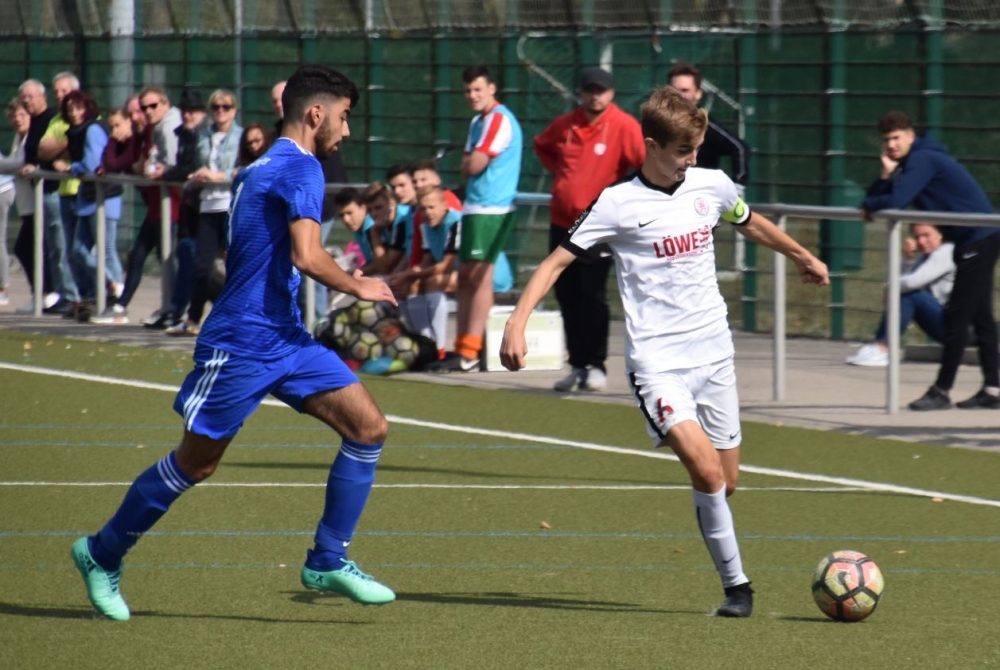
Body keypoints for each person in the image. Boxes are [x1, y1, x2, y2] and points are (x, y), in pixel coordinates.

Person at [70, 64, 398, 621]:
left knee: (369, 428)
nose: (346, 130)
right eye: (344, 117)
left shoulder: (257, 166)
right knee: (195, 464)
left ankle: (327, 559)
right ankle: (101, 554)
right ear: (316, 113)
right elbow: (307, 255)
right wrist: (358, 283)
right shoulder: (303, 167)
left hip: (286, 338)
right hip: (242, 343)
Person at [499, 86, 829, 617]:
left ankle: (726, 556)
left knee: (726, 481)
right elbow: (556, 262)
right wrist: (517, 322)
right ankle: (738, 589)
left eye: (695, 149)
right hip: (658, 364)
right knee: (708, 474)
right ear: (651, 146)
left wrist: (802, 256)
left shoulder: (711, 185)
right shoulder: (617, 203)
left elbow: (749, 220)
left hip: (715, 355)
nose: (691, 159)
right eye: (682, 151)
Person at [861, 111, 1000, 411]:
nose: (891, 145)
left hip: (979, 238)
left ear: (910, 136)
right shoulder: (911, 162)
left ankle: (941, 390)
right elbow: (887, 197)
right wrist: (884, 176)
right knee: (981, 318)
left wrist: (869, 204)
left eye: (896, 138)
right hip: (976, 239)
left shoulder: (922, 160)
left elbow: (895, 202)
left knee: (958, 319)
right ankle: (993, 388)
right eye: (887, 140)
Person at [534, 66, 645, 392]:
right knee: (566, 294)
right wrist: (560, 174)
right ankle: (578, 365)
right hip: (561, 222)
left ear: (611, 93)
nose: (595, 96)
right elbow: (542, 145)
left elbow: (644, 163)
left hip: (598, 226)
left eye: (601, 90)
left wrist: (624, 198)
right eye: (590, 90)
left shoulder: (624, 125)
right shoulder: (566, 124)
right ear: (581, 93)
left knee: (592, 295)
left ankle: (596, 364)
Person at [431, 65, 523, 372]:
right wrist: (469, 164)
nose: (472, 95)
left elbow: (474, 165)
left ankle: (471, 351)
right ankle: (463, 347)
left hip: (491, 209)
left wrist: (470, 164)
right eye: (468, 90)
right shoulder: (478, 121)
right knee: (467, 277)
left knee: (480, 277)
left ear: (491, 89)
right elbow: (467, 163)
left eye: (478, 89)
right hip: (474, 207)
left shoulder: (499, 119)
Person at [166, 89, 243, 336]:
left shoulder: (240, 136)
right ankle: (193, 318)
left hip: (230, 206)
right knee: (201, 268)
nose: (221, 111)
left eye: (226, 106)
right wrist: (199, 175)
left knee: (235, 267)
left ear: (234, 110)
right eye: (216, 107)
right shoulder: (204, 136)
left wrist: (216, 175)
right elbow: (200, 166)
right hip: (208, 205)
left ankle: (238, 321)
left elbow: (239, 170)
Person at [846, 223, 954, 367]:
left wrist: (889, 287)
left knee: (911, 296)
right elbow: (904, 280)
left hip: (962, 329)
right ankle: (879, 347)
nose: (921, 241)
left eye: (926, 235)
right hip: (947, 325)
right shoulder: (926, 257)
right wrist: (907, 259)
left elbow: (911, 282)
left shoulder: (946, 251)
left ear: (940, 234)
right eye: (917, 237)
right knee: (906, 294)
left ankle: (882, 348)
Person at [54, 90, 120, 318]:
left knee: (107, 250)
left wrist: (70, 167)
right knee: (78, 250)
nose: (74, 113)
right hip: (89, 198)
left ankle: (116, 297)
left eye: (79, 108)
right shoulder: (76, 132)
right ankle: (107, 287)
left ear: (88, 109)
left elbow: (92, 165)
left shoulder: (92, 129)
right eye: (70, 109)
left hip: (104, 197)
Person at [90, 101, 152, 324]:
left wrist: (115, 148)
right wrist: (114, 143)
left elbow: (119, 163)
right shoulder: (126, 141)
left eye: (117, 125)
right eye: (111, 127)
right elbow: (111, 163)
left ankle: (174, 310)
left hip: (168, 207)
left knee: (179, 260)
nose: (114, 131)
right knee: (137, 256)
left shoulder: (138, 139)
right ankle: (120, 307)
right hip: (155, 209)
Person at [391, 185, 461, 353]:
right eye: (423, 208)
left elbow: (445, 266)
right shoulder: (425, 226)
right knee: (410, 285)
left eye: (431, 207)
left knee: (432, 282)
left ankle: (439, 349)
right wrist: (404, 276)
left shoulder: (456, 222)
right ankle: (423, 343)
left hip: (474, 274)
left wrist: (407, 274)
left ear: (444, 206)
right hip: (451, 273)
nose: (428, 212)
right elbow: (426, 261)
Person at [667, 63, 749, 192]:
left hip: (699, 195)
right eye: (674, 90)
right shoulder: (657, 123)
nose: (679, 96)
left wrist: (736, 188)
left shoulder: (705, 126)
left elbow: (740, 148)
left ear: (698, 94)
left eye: (685, 90)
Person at [0, 98, 32, 307]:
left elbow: (23, 162)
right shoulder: (18, 138)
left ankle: (2, 289)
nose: (17, 120)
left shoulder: (32, 137)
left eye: (22, 115)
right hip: (20, 196)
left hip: (3, 191)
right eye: (14, 117)